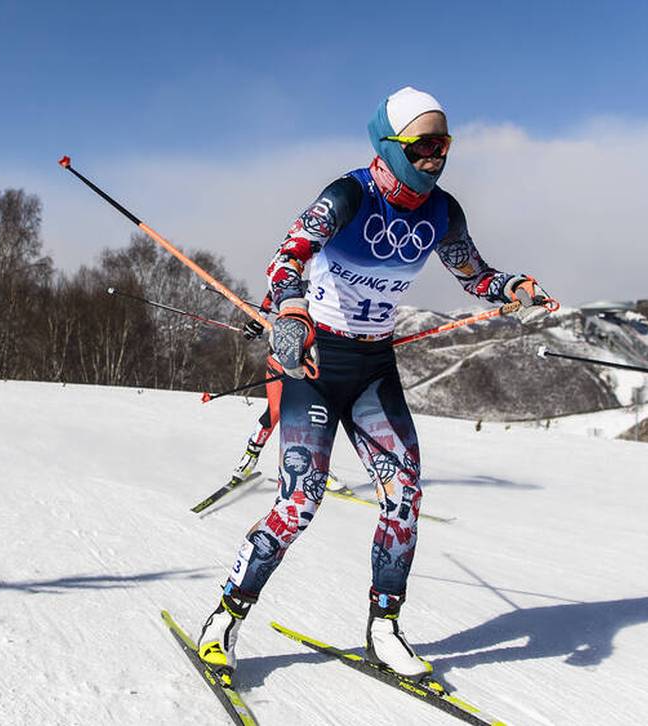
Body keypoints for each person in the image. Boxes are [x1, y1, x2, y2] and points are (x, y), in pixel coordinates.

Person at [196, 86, 554, 682]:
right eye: (425, 144)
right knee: (299, 502)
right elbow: (287, 257)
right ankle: (224, 618)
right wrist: (288, 310)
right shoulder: (348, 194)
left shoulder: (443, 210)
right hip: (314, 362)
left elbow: (476, 274)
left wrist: (514, 289)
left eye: (445, 144)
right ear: (389, 145)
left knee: (404, 495)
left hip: (373, 367)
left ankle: (384, 628)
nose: (438, 156)